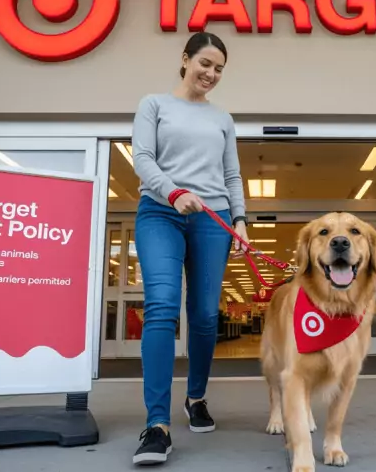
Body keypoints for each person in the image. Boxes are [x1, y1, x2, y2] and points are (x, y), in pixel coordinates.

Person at [129, 31, 250, 466]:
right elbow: (141, 157)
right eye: (205, 64)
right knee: (161, 305)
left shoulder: (222, 118)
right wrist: (173, 191)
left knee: (203, 315)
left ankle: (195, 397)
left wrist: (239, 221)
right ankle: (157, 425)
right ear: (185, 59)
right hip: (160, 213)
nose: (211, 74)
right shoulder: (154, 105)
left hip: (212, 219)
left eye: (219, 69)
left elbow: (232, 175)